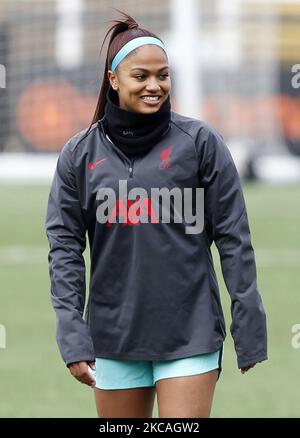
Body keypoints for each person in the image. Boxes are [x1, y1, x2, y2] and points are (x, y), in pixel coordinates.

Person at [45, 11, 267, 418]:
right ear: (113, 79)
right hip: (113, 336)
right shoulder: (79, 154)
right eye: (141, 76)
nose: (154, 85)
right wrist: (73, 332)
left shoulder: (201, 143)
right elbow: (64, 250)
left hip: (191, 332)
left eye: (163, 75)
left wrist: (248, 320)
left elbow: (235, 238)